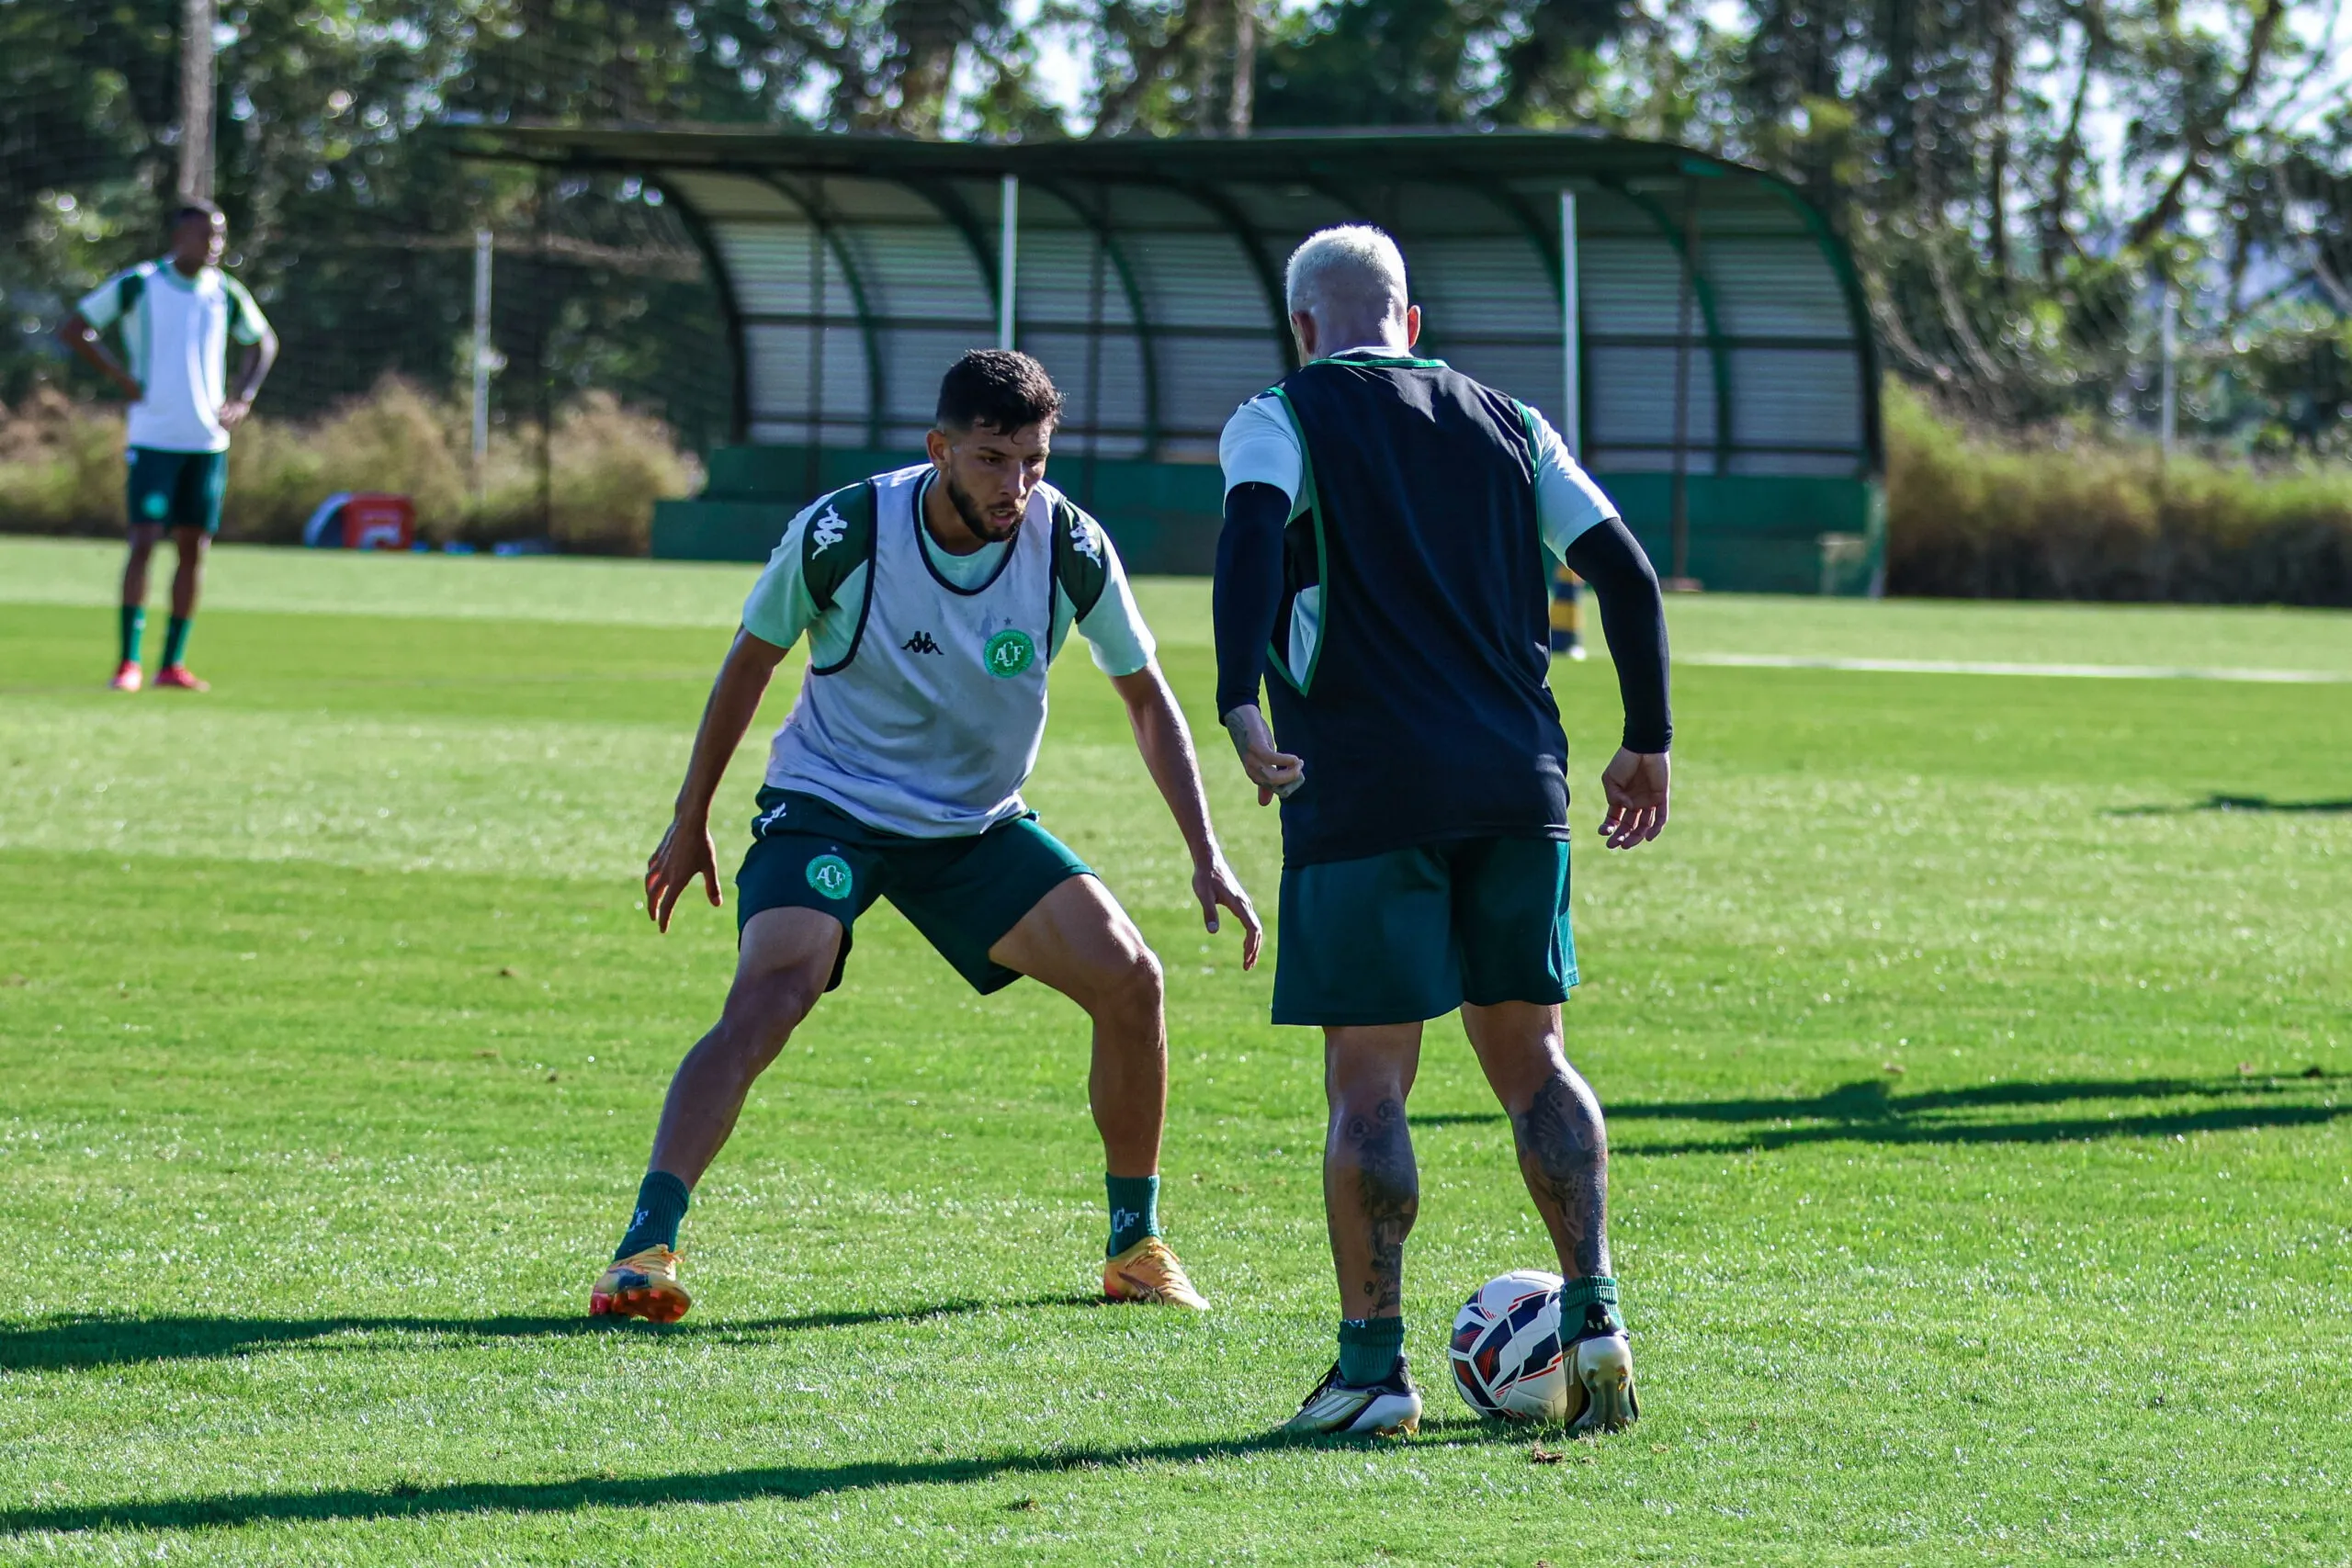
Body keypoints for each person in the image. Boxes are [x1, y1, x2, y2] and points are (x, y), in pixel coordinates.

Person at [597, 349, 1261, 1323]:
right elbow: (750, 661)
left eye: (1034, 460)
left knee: (1133, 978)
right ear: (939, 448)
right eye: (992, 460)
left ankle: (1135, 1248)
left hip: (971, 826)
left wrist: (1206, 853)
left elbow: (1146, 700)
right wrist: (690, 815)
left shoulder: (1068, 544)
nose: (1017, 485)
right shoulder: (846, 529)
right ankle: (641, 1250)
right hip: (831, 801)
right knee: (775, 989)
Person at [1212, 226, 1673, 1436]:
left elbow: (1253, 534)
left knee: (1370, 1078)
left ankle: (1372, 1368)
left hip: (1364, 787)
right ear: (1409, 321)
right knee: (1537, 1059)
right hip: (1520, 785)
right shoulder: (1515, 421)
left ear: (1305, 325)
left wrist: (1239, 700)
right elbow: (1625, 571)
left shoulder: (1280, 411)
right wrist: (1647, 736)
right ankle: (1597, 1319)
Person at [58, 198, 277, 694]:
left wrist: (243, 397)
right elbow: (75, 328)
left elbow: (262, 341)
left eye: (220, 236)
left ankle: (172, 663)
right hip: (154, 437)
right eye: (207, 235)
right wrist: (119, 376)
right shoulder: (141, 284)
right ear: (180, 237)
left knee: (193, 548)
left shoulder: (225, 292)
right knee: (142, 542)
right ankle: (128, 662)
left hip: (206, 442)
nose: (215, 245)